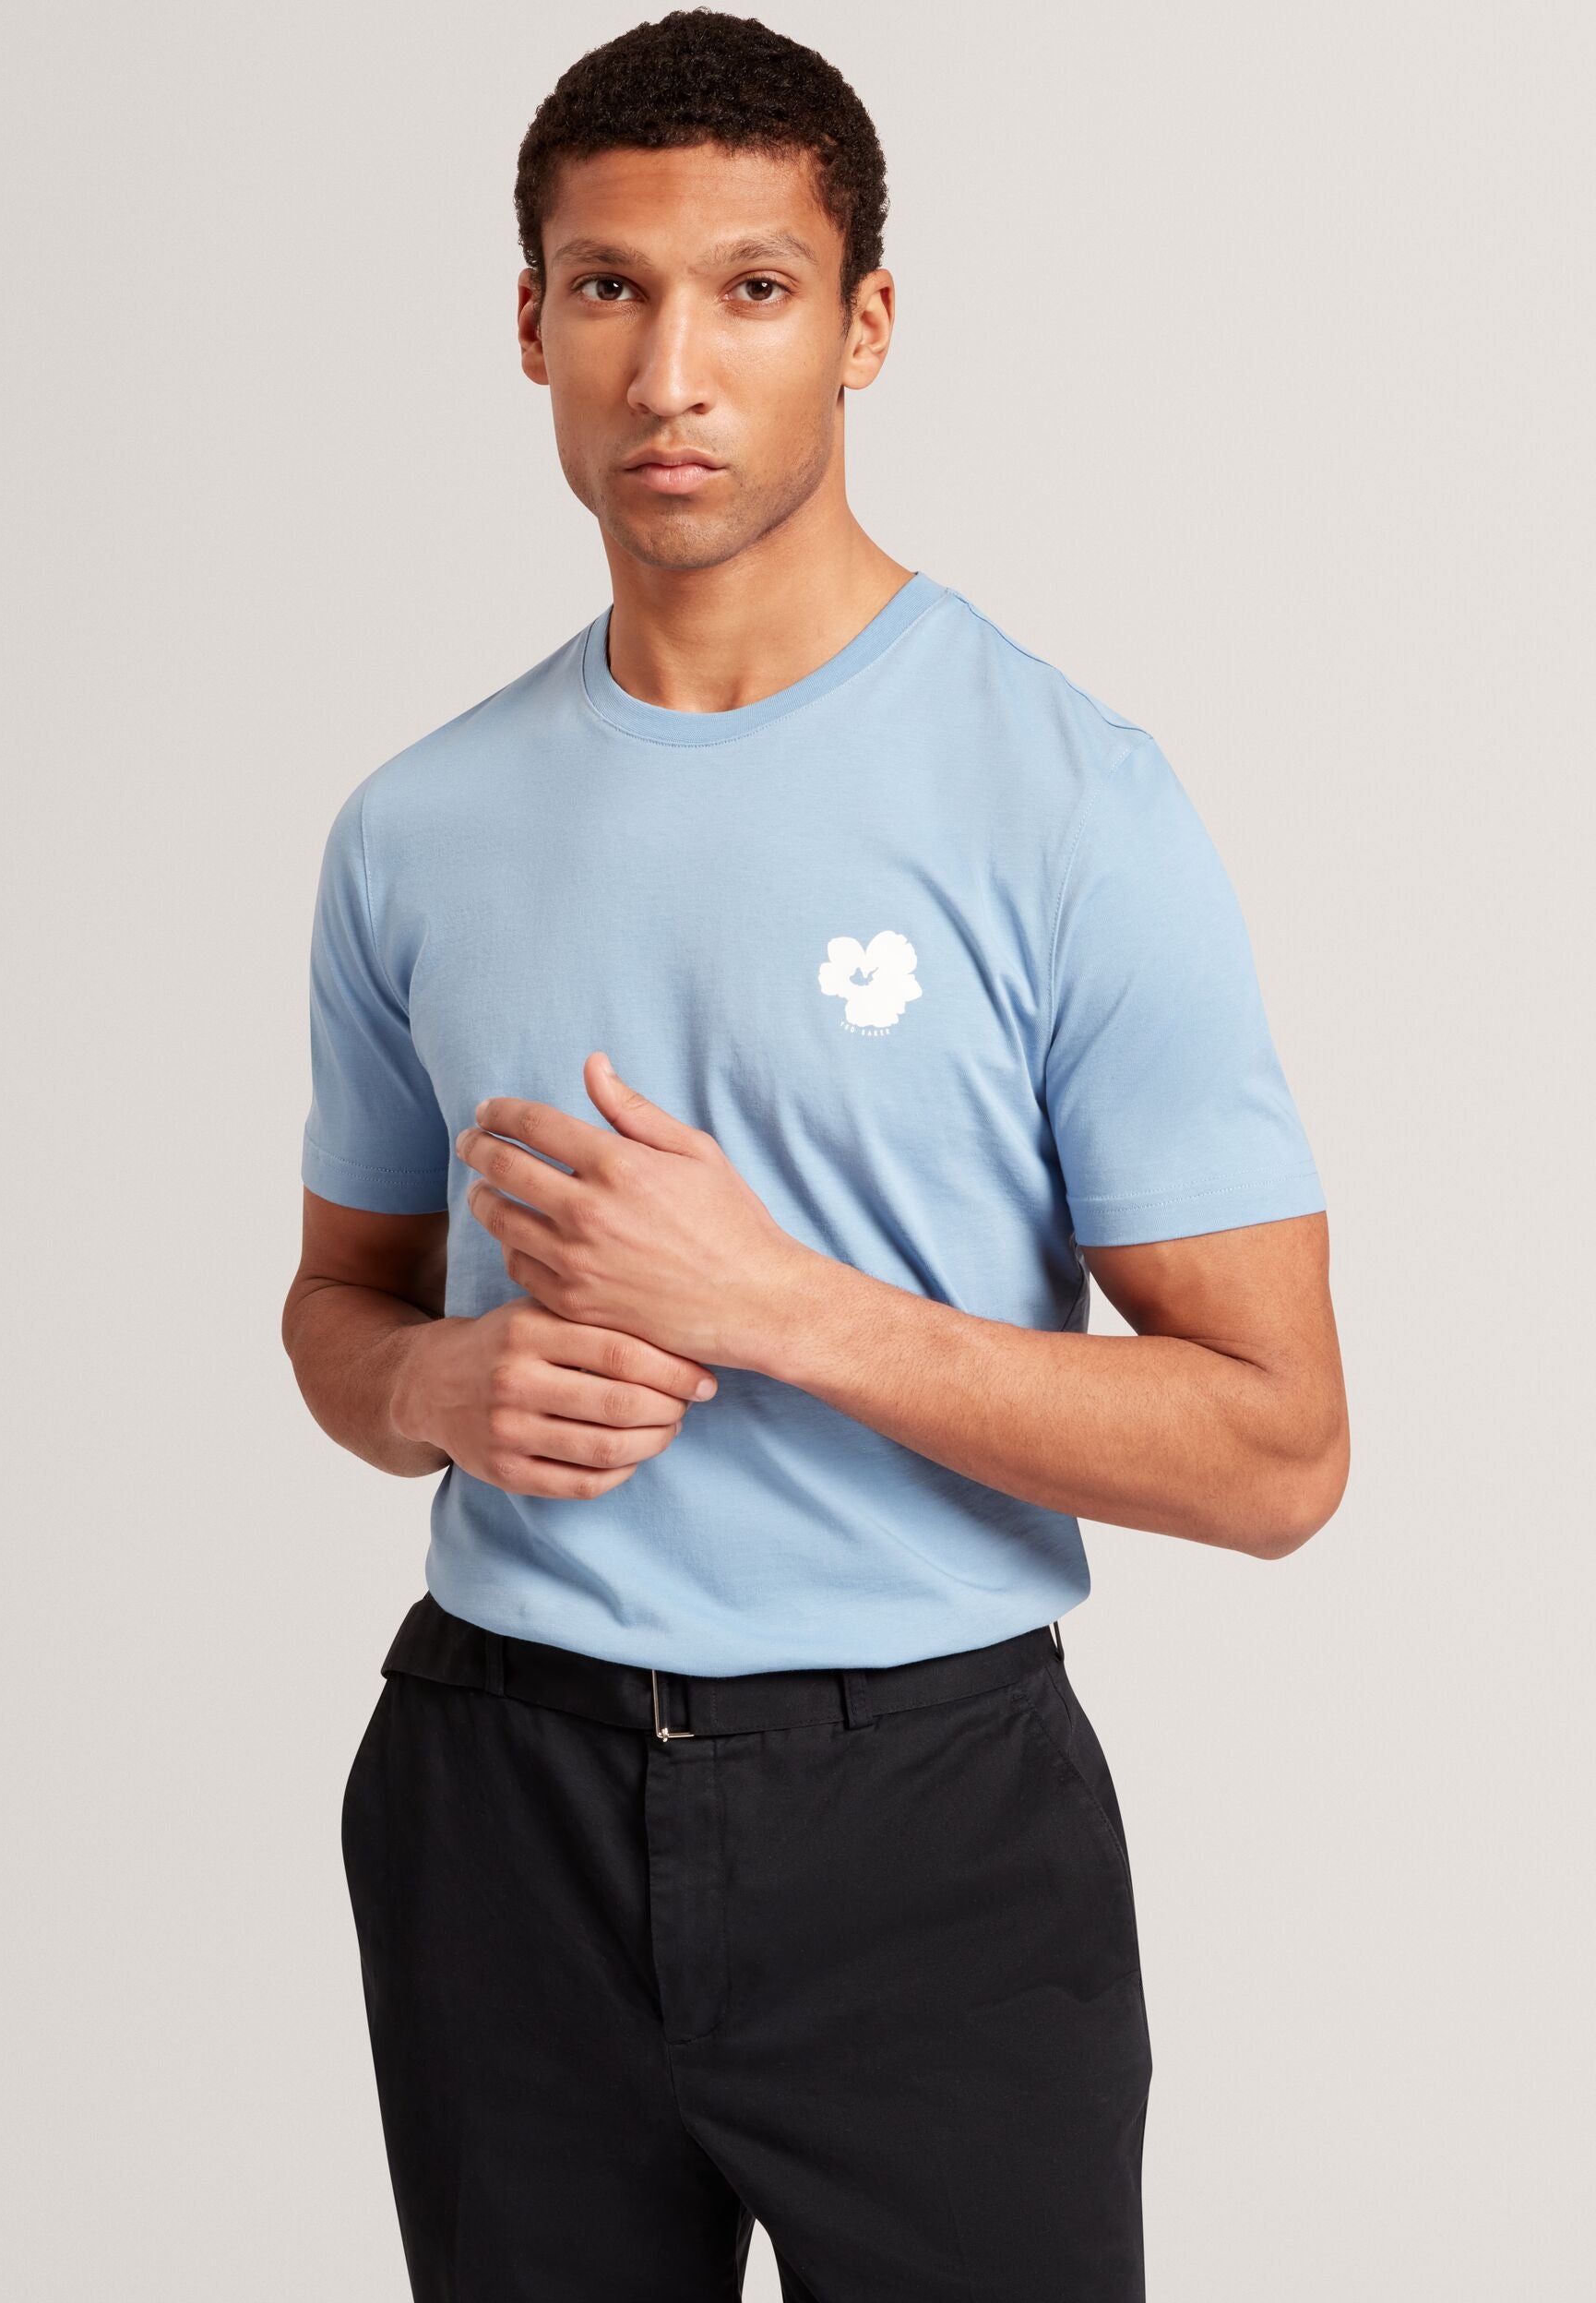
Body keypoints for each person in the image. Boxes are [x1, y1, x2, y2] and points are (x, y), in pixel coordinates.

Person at [281, 12, 1349, 2298]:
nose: (670, 371)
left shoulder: (1070, 803)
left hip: (929, 1824)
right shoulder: (415, 826)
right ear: (534, 325)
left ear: (864, 325)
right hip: (496, 1796)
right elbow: (337, 1310)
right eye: (611, 288)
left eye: (751, 290)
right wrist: (429, 1385)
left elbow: (1278, 1453)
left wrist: (774, 1308)